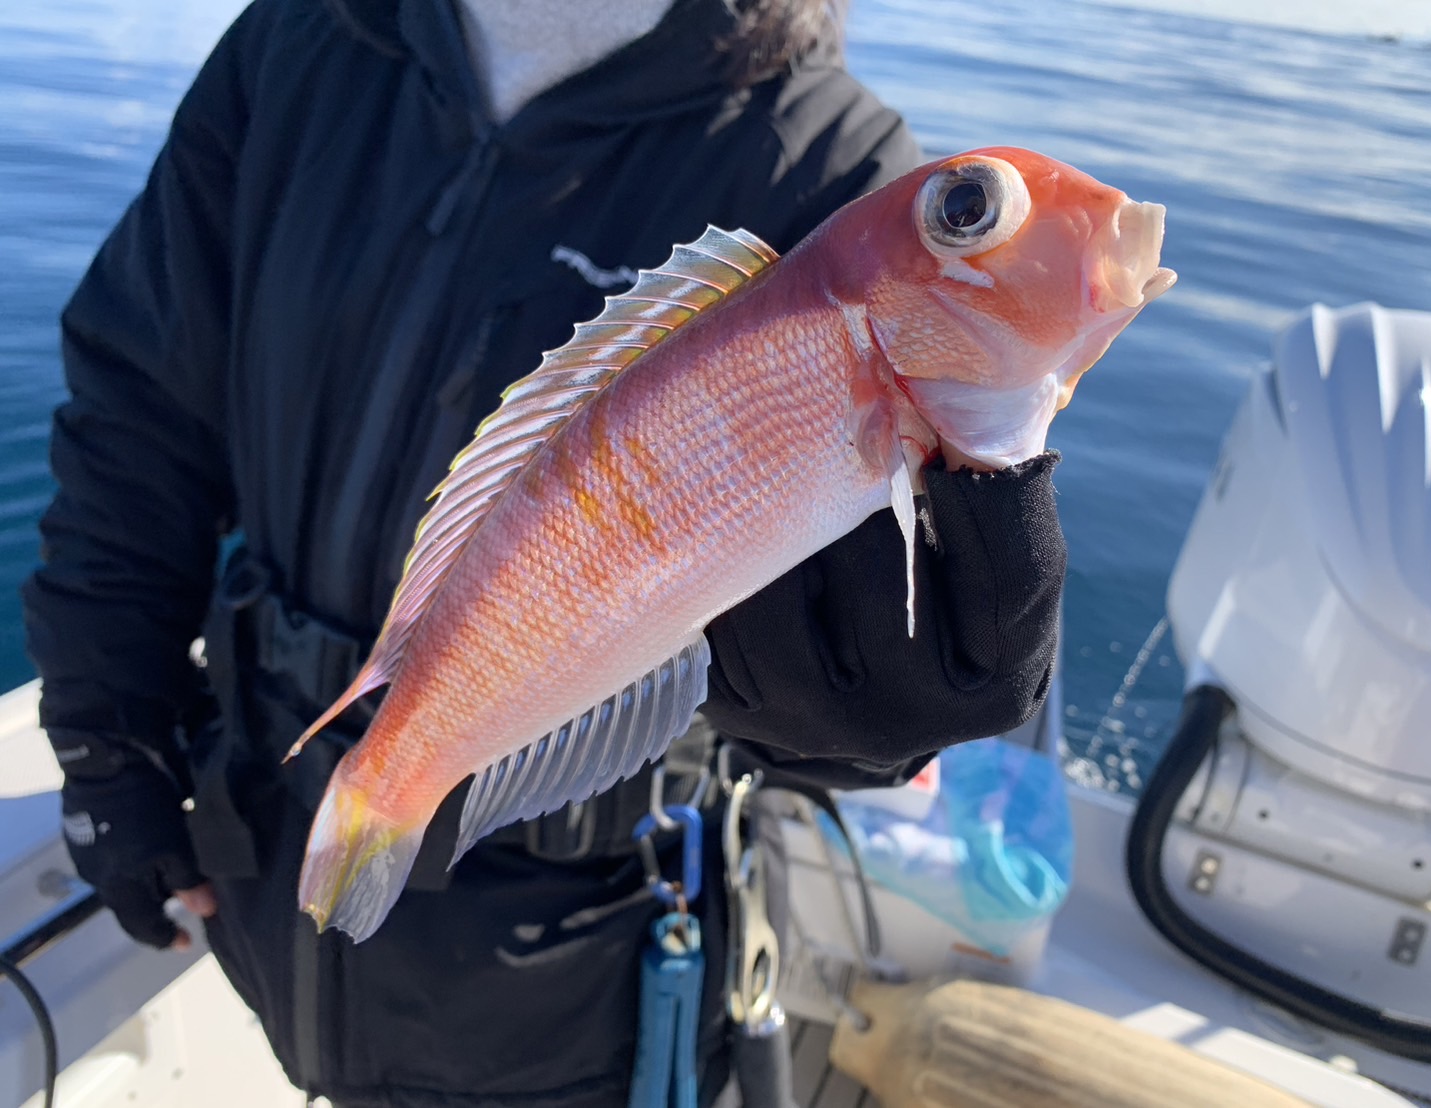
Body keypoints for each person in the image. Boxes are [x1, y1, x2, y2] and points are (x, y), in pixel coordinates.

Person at [21, 0, 1068, 1104]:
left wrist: (860, 727)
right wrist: (109, 742)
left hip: (572, 972)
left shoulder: (830, 164)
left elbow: (828, 658)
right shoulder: (295, 43)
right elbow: (137, 418)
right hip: (261, 856)